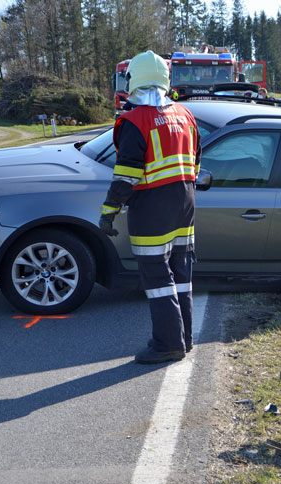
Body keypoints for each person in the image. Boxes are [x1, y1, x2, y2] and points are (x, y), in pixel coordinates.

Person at [99, 50, 202, 365]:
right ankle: (183, 339)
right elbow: (196, 159)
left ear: (133, 80)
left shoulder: (134, 120)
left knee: (157, 277)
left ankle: (167, 344)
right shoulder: (184, 114)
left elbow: (126, 174)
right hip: (184, 202)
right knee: (181, 272)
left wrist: (108, 213)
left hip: (152, 209)